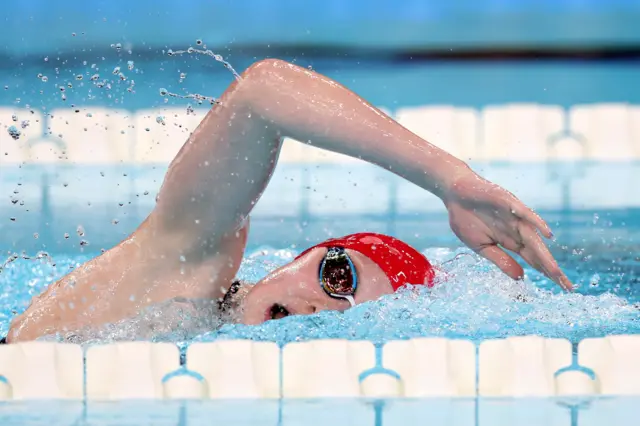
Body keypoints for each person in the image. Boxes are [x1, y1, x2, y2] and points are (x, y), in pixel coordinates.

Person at [4, 59, 573, 343]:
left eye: (349, 314)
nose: (320, 306)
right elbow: (263, 92)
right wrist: (449, 180)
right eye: (336, 275)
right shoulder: (188, 265)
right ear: (300, 255)